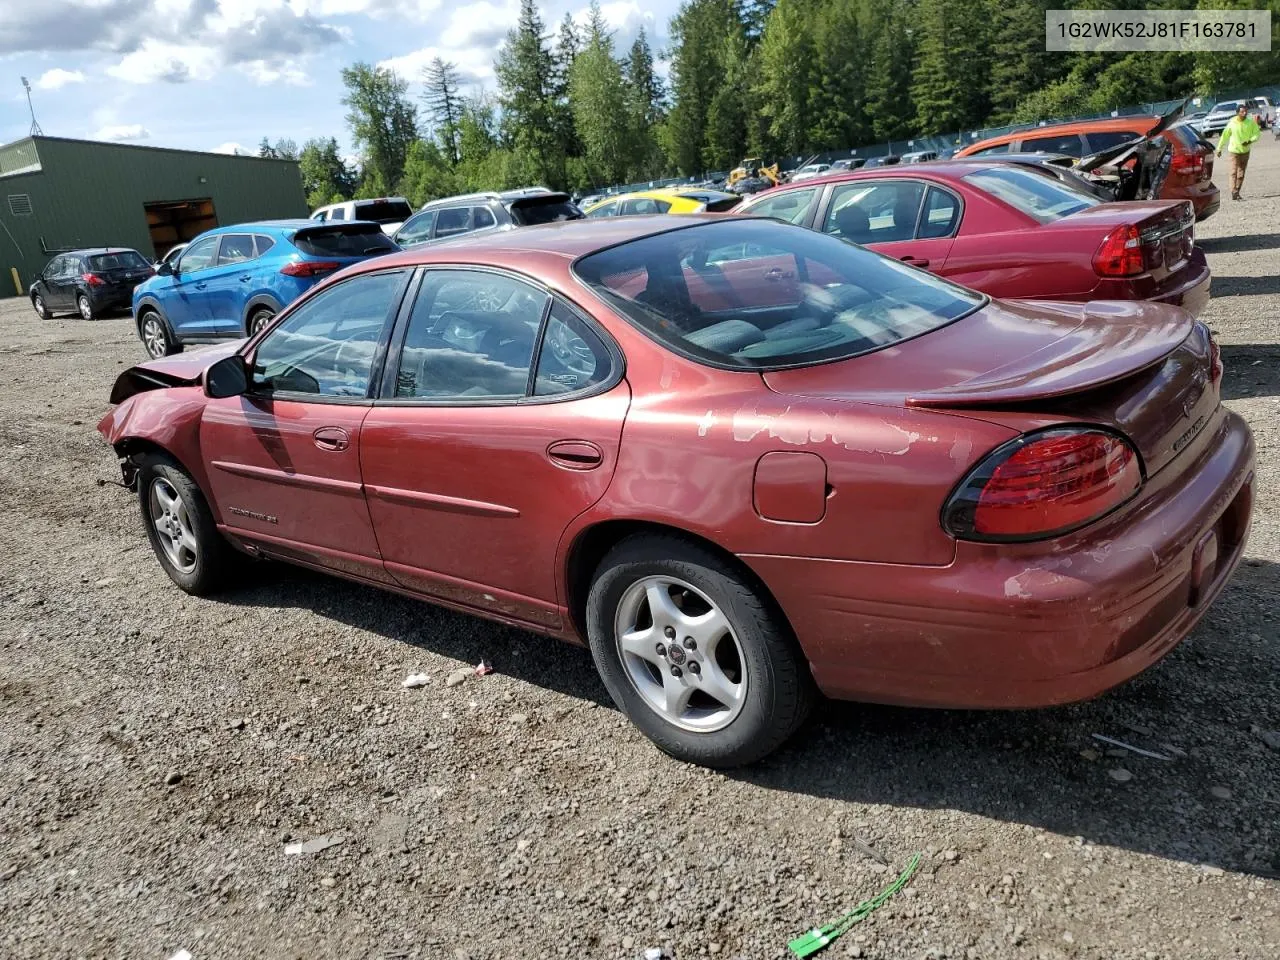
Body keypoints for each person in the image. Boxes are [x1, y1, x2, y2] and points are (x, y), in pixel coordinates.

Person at [1217, 102, 1261, 200]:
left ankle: (1237, 192)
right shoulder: (1232, 122)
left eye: (1245, 111)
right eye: (1242, 112)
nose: (1244, 113)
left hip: (1245, 151)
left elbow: (1257, 134)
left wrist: (1249, 141)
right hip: (1234, 151)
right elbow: (1224, 136)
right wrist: (1219, 148)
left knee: (1241, 174)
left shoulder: (1250, 122)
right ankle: (1233, 190)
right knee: (1233, 172)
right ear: (1237, 113)